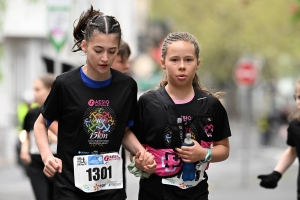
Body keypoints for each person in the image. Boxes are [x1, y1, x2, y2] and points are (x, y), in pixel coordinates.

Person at [33, 6, 155, 200]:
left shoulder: (127, 86)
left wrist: (142, 153)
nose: (105, 58)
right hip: (70, 188)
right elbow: (41, 123)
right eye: (98, 50)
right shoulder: (65, 84)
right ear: (84, 46)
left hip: (111, 189)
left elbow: (124, 131)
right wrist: (47, 156)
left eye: (112, 51)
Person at [131, 32, 232, 200]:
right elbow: (136, 151)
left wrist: (203, 154)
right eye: (174, 60)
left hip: (196, 194)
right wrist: (140, 162)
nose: (182, 66)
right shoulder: (147, 103)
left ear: (198, 63)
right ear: (163, 62)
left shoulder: (211, 105)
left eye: (188, 60)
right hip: (155, 193)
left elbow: (224, 149)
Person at [258, 77, 300, 200]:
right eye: (298, 97)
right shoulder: (295, 126)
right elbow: (293, 151)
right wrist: (276, 174)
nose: (299, 101)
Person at [19, 74, 57, 200]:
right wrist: (24, 150)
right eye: (33, 89)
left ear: (50, 90)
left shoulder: (62, 112)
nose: (34, 93)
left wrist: (54, 138)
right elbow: (26, 134)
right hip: (36, 162)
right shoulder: (31, 113)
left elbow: (72, 138)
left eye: (37, 89)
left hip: (57, 162)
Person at [111, 39, 132, 191]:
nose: (127, 65)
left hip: (114, 169)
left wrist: (139, 151)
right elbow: (47, 120)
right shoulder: (73, 84)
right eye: (121, 60)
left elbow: (125, 130)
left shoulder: (127, 88)